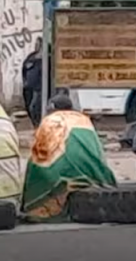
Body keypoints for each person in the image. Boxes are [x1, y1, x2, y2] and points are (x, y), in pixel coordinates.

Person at [20, 94, 118, 222]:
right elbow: (97, 150)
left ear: (52, 109)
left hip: (59, 173)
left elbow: (40, 151)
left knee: (34, 165)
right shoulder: (84, 120)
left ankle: (38, 210)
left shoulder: (51, 120)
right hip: (91, 169)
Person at [21, 38, 43, 127]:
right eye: (36, 43)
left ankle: (37, 125)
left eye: (39, 44)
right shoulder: (31, 57)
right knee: (29, 107)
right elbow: (24, 70)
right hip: (29, 88)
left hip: (39, 89)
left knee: (34, 108)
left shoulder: (47, 57)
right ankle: (35, 125)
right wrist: (25, 82)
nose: (36, 46)